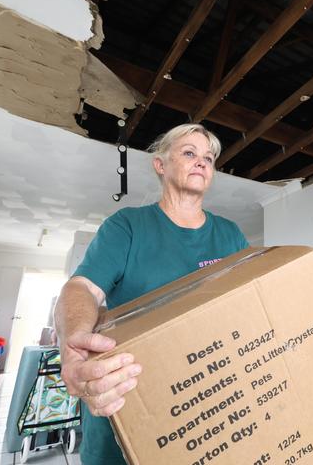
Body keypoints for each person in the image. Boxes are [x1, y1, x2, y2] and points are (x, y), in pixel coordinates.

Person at [54, 123, 249, 465]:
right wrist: (74, 337)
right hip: (128, 401)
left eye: (209, 158)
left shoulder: (230, 234)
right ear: (160, 165)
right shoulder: (127, 225)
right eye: (189, 153)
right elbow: (82, 287)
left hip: (207, 404)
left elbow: (249, 301)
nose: (202, 162)